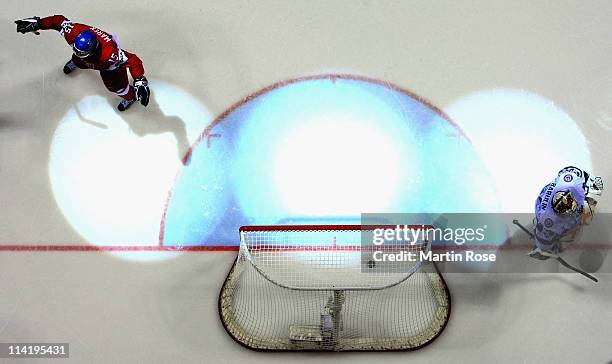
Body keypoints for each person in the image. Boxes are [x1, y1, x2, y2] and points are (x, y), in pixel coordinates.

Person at [15, 15, 150, 111]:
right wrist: (39, 23)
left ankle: (130, 96)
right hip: (88, 58)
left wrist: (139, 79)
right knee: (78, 60)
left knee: (116, 87)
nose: (80, 54)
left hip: (108, 68)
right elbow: (58, 21)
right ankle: (77, 61)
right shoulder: (73, 33)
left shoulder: (111, 56)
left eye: (83, 54)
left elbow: (133, 61)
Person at [529, 166, 604, 260]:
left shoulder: (574, 185)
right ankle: (550, 243)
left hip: (572, 183)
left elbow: (595, 183)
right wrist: (543, 248)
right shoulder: (546, 216)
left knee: (589, 211)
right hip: (548, 211)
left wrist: (592, 185)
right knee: (575, 225)